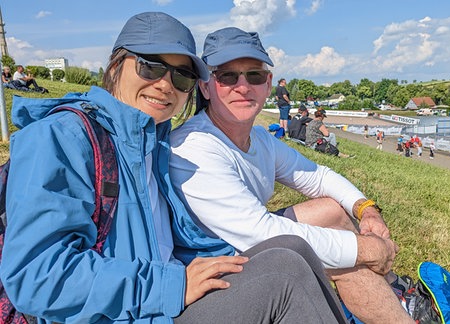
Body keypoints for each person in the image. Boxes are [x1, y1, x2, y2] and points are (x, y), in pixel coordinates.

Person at [0, 13, 346, 323]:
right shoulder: (61, 138)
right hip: (125, 311)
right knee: (283, 275)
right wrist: (172, 284)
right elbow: (37, 276)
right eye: (150, 66)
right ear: (115, 66)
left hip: (162, 303)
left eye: (181, 77)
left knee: (289, 249)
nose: (165, 84)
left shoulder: (155, 145)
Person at [170, 27, 417, 323]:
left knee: (332, 210)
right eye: (227, 76)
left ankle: (396, 294)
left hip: (235, 248)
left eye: (254, 76)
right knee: (343, 258)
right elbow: (259, 233)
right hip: (209, 275)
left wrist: (367, 210)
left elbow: (319, 177)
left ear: (268, 83)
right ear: (206, 86)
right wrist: (364, 249)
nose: (243, 86)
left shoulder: (259, 139)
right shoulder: (195, 147)